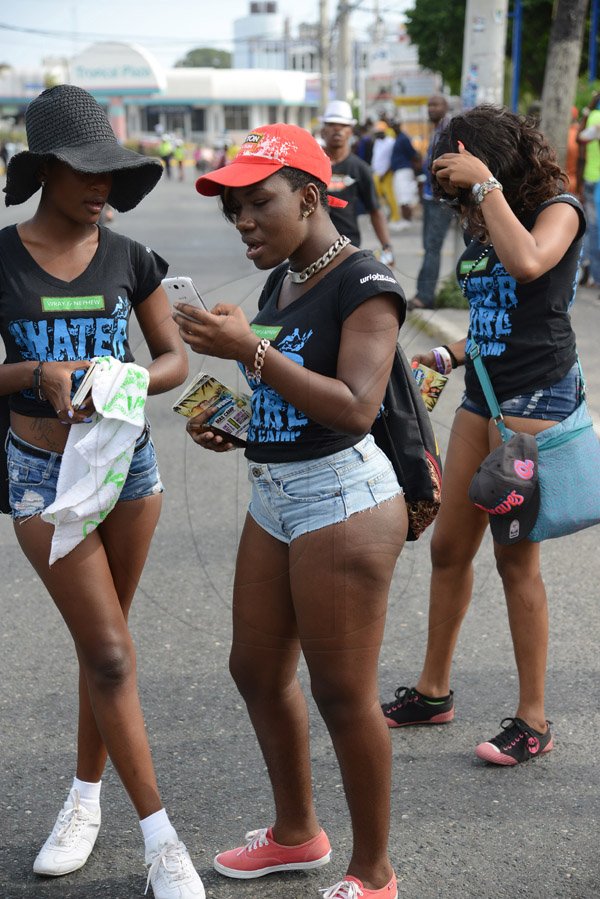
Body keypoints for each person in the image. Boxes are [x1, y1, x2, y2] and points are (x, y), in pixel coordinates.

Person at [174, 122, 408, 899]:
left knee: (342, 693)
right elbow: (286, 387)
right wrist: (234, 422)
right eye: (232, 209)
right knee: (256, 669)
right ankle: (296, 833)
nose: (242, 221)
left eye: (256, 203)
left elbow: (353, 406)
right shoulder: (285, 280)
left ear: (309, 197)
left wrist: (248, 352)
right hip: (276, 493)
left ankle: (374, 874)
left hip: (341, 495)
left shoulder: (363, 282)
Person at [1, 84, 204, 897]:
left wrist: (127, 377)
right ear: (46, 170)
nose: (104, 189)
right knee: (113, 651)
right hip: (41, 474)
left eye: (113, 175)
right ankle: (164, 844)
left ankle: (85, 798)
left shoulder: (132, 258)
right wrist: (34, 373)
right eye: (88, 172)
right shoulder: (1, 257)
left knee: (104, 648)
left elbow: (174, 360)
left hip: (128, 469)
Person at [381, 105, 586, 766]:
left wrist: (485, 188)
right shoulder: (484, 222)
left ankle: (533, 719)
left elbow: (528, 265)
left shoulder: (561, 209)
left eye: (464, 184)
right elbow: (496, 318)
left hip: (535, 403)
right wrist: (449, 356)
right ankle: (434, 690)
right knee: (448, 549)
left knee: (514, 559)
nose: (462, 203)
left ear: (490, 163)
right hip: (483, 397)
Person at [320, 100, 394, 267]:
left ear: (350, 131)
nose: (337, 129)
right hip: (312, 249)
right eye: (332, 124)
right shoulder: (311, 166)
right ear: (323, 130)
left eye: (343, 125)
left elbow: (375, 210)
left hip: (347, 248)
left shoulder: (360, 169)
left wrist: (386, 247)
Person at [408, 94, 455, 311]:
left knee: (432, 247)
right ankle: (423, 293)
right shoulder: (435, 130)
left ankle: (425, 296)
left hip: (440, 199)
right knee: (428, 246)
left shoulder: (449, 131)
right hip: (429, 196)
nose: (431, 109)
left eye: (435, 105)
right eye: (429, 105)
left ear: (445, 107)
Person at [577, 93, 600, 289]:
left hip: (590, 177)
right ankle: (596, 275)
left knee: (592, 228)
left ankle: (590, 270)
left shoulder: (592, 116)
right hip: (597, 180)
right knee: (595, 229)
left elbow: (581, 137)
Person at [389, 120, 419, 230]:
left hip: (404, 170)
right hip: (399, 170)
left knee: (404, 196)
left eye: (395, 125)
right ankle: (404, 219)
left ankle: (407, 220)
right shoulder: (397, 138)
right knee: (400, 195)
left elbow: (413, 154)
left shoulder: (403, 138)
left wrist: (417, 168)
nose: (394, 127)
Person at [371, 120, 400, 225]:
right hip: (376, 173)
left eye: (378, 132)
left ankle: (395, 217)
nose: (376, 134)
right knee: (378, 196)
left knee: (389, 195)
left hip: (386, 174)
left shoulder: (391, 142)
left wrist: (386, 172)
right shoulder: (378, 142)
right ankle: (386, 215)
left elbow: (391, 159)